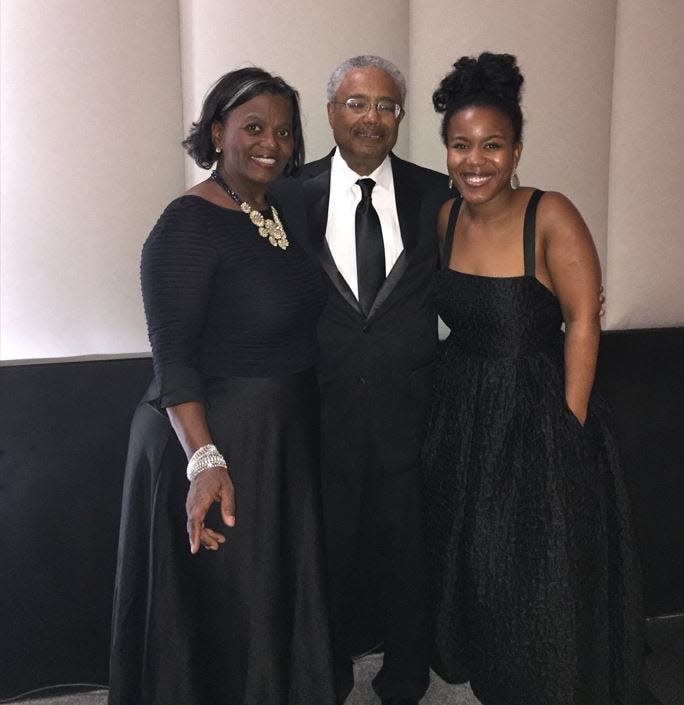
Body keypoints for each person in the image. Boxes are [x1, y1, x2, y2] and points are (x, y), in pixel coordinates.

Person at [108, 67, 336, 705]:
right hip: (214, 437)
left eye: (285, 132)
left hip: (275, 438)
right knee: (226, 605)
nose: (272, 142)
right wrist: (204, 462)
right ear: (218, 132)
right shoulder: (186, 223)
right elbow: (172, 358)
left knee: (263, 599)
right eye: (254, 127)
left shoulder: (272, 212)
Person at [421, 52, 643, 705]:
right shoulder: (445, 217)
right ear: (447, 152)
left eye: (492, 144)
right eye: (461, 145)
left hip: (535, 415)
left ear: (516, 150)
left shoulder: (552, 215)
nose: (475, 160)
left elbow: (582, 321)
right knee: (472, 560)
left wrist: (569, 425)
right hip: (462, 411)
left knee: (530, 571)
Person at [297, 55, 450, 705]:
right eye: (357, 103)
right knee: (322, 559)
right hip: (317, 414)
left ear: (400, 118)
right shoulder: (286, 194)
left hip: (411, 411)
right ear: (331, 112)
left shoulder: (437, 194)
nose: (372, 117)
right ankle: (325, 675)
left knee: (411, 558)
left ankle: (407, 677)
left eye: (386, 105)